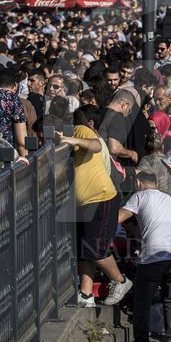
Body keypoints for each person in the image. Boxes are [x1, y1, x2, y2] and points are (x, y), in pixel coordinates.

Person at [61, 106, 131, 308]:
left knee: (95, 248)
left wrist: (72, 139)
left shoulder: (81, 130)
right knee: (84, 249)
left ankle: (120, 281)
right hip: (86, 202)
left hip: (101, 198)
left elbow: (95, 145)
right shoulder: (75, 135)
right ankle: (85, 293)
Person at [119, 171, 171, 342]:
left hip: (153, 255)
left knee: (142, 300)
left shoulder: (139, 196)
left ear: (139, 183)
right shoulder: (168, 198)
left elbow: (119, 218)